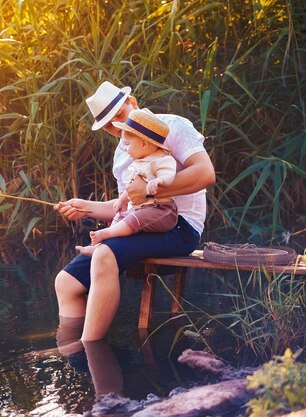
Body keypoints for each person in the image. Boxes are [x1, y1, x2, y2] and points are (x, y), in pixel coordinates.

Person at [53, 81, 215, 341]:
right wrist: (87, 208)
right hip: (142, 223)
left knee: (104, 254)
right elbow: (129, 206)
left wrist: (151, 192)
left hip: (181, 227)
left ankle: (90, 347)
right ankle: (73, 348)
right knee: (66, 283)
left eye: (119, 115)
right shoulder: (123, 152)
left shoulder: (173, 126)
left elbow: (206, 174)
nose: (116, 127)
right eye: (108, 125)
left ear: (134, 103)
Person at [76, 108, 178, 256]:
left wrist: (159, 180)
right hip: (141, 209)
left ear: (144, 144)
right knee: (121, 216)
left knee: (136, 218)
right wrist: (123, 200)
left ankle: (107, 234)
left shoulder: (161, 159)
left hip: (162, 210)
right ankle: (100, 246)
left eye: (127, 144)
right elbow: (130, 188)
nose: (125, 148)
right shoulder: (136, 164)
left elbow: (169, 175)